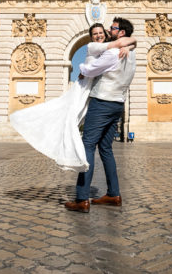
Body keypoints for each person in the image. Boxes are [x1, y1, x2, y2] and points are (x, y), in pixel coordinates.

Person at [9, 23, 135, 171]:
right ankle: (64, 149)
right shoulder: (93, 47)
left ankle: (74, 164)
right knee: (67, 116)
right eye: (95, 34)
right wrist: (84, 69)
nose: (99, 35)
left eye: (101, 32)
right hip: (82, 89)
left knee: (75, 122)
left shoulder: (109, 47)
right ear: (91, 37)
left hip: (92, 92)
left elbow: (131, 41)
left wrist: (128, 47)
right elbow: (122, 42)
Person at [65, 17, 136, 213]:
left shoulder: (112, 53)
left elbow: (89, 69)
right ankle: (113, 194)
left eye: (112, 28)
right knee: (106, 148)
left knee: (87, 145)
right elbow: (132, 42)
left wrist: (81, 69)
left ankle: (81, 198)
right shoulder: (132, 54)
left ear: (121, 33)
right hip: (118, 105)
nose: (107, 30)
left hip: (102, 102)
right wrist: (131, 44)